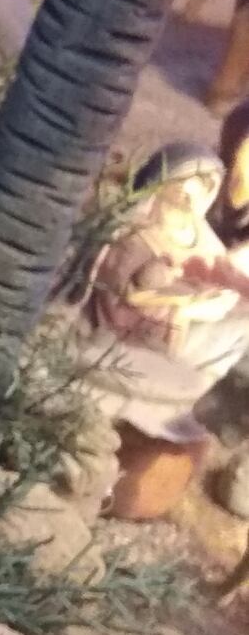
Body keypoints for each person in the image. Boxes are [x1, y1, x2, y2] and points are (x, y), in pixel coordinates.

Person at [83, 142, 249, 519]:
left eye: (203, 189)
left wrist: (220, 291)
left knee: (241, 332)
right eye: (182, 187)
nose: (190, 198)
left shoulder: (199, 234)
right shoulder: (137, 231)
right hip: (138, 331)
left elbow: (219, 271)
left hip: (182, 326)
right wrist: (184, 306)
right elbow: (122, 293)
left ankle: (216, 410)